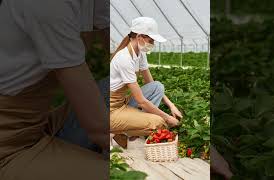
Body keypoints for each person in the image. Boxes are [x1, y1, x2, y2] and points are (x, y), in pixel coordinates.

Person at [0, 0, 108, 179]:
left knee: (114, 85)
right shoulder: (48, 5)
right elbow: (99, 130)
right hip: (8, 146)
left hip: (38, 123)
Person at [110, 17, 182, 148]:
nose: (152, 44)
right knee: (159, 122)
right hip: (111, 110)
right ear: (139, 37)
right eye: (151, 40)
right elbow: (141, 101)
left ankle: (130, 127)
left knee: (157, 86)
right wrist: (167, 118)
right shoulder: (124, 58)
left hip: (123, 101)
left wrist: (171, 105)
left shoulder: (140, 54)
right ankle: (119, 129)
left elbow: (150, 82)